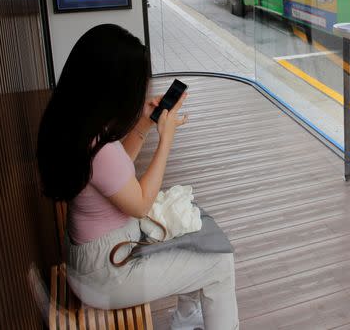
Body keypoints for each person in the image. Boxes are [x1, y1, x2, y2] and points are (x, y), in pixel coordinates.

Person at [36, 24, 238, 330]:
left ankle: (185, 319)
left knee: (186, 228)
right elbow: (141, 204)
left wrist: (143, 126)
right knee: (220, 264)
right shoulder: (98, 146)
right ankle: (187, 318)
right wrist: (166, 138)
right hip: (109, 274)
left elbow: (115, 177)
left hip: (93, 261)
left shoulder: (75, 125)